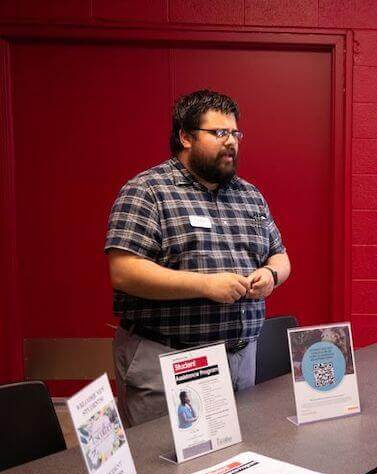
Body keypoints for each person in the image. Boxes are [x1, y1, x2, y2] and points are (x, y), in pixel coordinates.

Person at [106, 89, 291, 427]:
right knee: (162, 467)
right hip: (168, 358)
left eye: (235, 133)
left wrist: (271, 275)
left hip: (240, 358)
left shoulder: (249, 195)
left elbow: (280, 255)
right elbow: (125, 272)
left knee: (232, 460)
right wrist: (205, 285)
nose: (231, 142)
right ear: (185, 137)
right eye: (219, 133)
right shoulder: (148, 190)